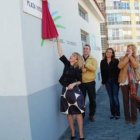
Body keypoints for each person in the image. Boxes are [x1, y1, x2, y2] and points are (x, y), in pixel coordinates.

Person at [56, 38, 85, 140]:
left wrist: (73, 83)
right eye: (71, 55)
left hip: (75, 93)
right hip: (65, 92)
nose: (71, 56)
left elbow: (80, 81)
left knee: (78, 113)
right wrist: (57, 40)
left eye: (73, 56)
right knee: (68, 113)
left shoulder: (78, 69)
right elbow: (60, 52)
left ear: (76, 59)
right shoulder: (67, 64)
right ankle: (73, 133)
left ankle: (81, 134)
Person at [118, 44, 139, 124]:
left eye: (130, 48)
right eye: (128, 48)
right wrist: (127, 57)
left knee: (133, 100)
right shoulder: (123, 57)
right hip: (124, 81)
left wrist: (130, 57)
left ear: (133, 50)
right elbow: (120, 66)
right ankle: (127, 118)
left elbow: (136, 65)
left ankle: (134, 118)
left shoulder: (137, 57)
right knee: (125, 100)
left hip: (134, 82)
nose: (128, 49)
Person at [100, 48, 120, 119]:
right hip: (107, 82)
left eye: (110, 52)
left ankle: (117, 113)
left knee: (115, 97)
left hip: (115, 82)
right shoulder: (102, 62)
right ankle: (112, 113)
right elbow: (102, 72)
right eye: (107, 52)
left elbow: (118, 72)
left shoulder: (116, 61)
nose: (108, 53)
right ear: (105, 53)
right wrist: (103, 82)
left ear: (112, 53)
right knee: (110, 98)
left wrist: (118, 81)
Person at [80, 44, 97, 121]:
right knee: (81, 100)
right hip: (81, 83)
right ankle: (82, 116)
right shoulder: (79, 59)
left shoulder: (93, 59)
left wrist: (86, 65)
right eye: (84, 48)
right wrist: (81, 70)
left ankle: (92, 114)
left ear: (89, 50)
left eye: (87, 49)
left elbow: (94, 69)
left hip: (90, 82)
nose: (85, 50)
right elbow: (76, 68)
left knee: (92, 99)